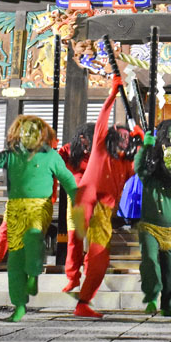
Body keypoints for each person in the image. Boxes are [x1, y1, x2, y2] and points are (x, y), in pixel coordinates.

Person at [0, 115, 77, 321]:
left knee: (34, 237)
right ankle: (18, 305)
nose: (29, 134)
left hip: (39, 206)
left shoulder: (51, 156)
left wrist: (78, 199)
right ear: (18, 133)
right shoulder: (11, 155)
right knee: (15, 258)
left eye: (34, 131)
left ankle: (33, 273)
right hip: (15, 208)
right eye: (25, 131)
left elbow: (67, 179)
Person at [73, 76, 140, 318]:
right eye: (120, 135)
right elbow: (103, 118)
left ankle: (83, 298)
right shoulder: (101, 145)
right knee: (81, 245)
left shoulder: (126, 164)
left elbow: (141, 164)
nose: (124, 138)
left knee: (99, 255)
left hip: (104, 211)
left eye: (127, 137)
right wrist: (112, 94)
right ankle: (77, 286)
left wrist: (144, 140)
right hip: (87, 201)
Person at [135, 120, 171, 316]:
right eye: (168, 156)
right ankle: (152, 296)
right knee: (151, 262)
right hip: (149, 228)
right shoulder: (150, 177)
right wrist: (145, 148)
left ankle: (169, 306)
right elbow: (139, 168)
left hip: (169, 231)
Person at [58, 123, 95, 292]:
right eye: (89, 142)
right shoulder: (68, 150)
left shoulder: (100, 150)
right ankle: (73, 278)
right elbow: (54, 164)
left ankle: (89, 271)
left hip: (96, 200)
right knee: (74, 240)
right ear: (82, 139)